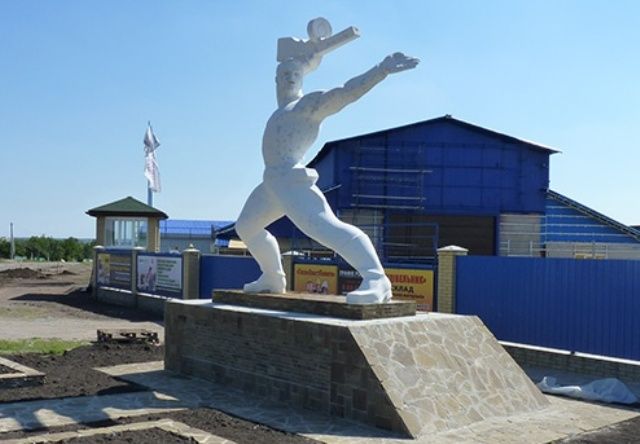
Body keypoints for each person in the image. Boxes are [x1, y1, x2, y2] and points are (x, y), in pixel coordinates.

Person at [235, 25, 419, 304]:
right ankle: (273, 276)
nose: (287, 79)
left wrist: (379, 71)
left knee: (325, 228)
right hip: (271, 182)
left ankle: (377, 279)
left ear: (301, 79)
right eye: (281, 76)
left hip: (291, 180)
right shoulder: (278, 112)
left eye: (293, 75)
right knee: (247, 227)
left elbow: (345, 93)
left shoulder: (307, 106)